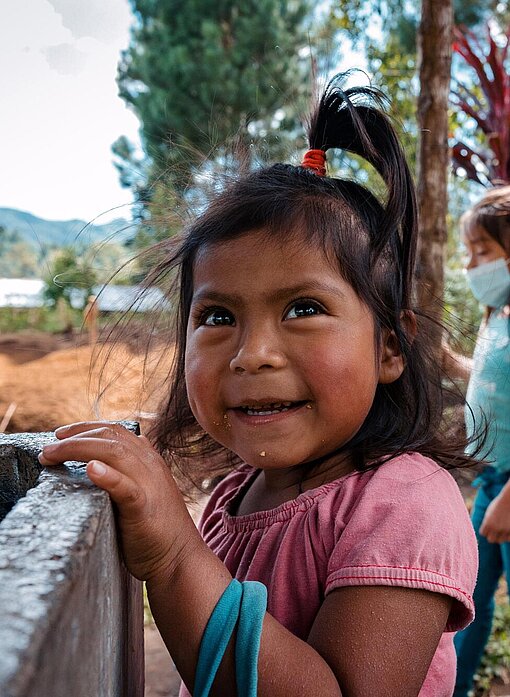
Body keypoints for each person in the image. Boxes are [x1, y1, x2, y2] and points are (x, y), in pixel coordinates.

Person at [39, 76, 478, 696]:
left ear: (389, 345)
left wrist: (173, 559)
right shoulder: (233, 496)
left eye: (302, 308)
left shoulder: (404, 503)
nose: (253, 355)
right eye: (217, 317)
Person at [450, 186, 510, 697]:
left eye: (482, 252)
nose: (472, 266)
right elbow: (493, 378)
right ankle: (457, 686)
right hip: (492, 481)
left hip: (509, 491)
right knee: (470, 598)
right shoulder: (499, 318)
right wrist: (452, 363)